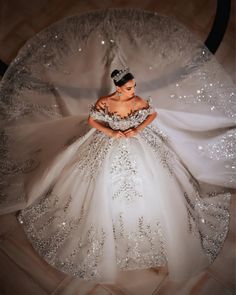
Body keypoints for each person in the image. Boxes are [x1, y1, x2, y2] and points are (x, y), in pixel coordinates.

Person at [0, 8, 234, 285]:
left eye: (134, 86)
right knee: (92, 183)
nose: (133, 90)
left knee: (156, 177)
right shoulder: (106, 103)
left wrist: (136, 128)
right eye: (129, 87)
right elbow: (92, 121)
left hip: (139, 142)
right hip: (108, 142)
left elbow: (153, 114)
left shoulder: (137, 102)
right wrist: (111, 131)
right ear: (118, 87)